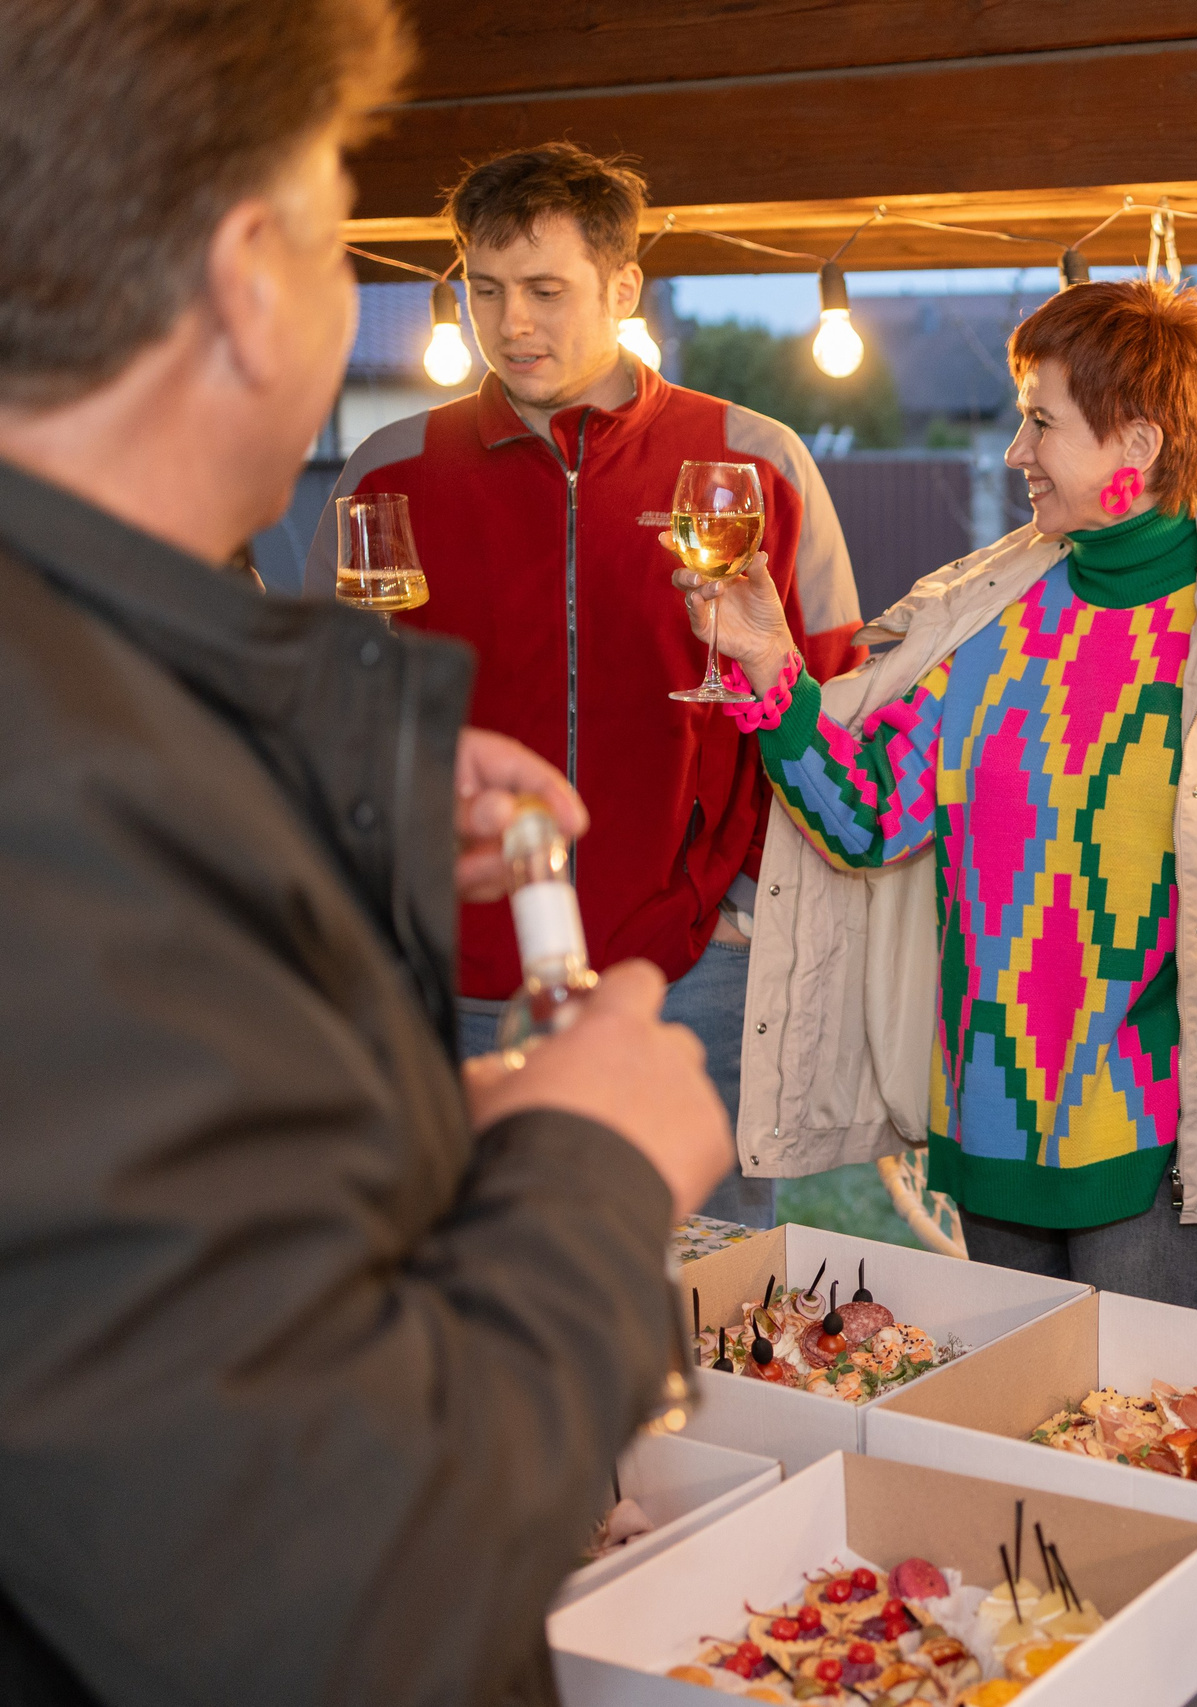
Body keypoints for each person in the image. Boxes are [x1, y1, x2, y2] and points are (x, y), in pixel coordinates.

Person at [0, 2, 735, 1702]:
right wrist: (587, 1174)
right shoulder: (68, 822)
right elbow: (334, 1597)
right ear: (250, 278)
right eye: (347, 242)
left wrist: (350, 793)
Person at [676, 278, 1197, 1307]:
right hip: (986, 1127)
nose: (1015, 452)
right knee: (1014, 1429)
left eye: (1041, 424)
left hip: (1155, 1140)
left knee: (1136, 1436)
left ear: (1138, 444)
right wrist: (771, 673)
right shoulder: (985, 628)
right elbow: (864, 821)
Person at [314, 142, 864, 1228]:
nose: (512, 323)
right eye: (484, 289)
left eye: (546, 291)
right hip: (458, 972)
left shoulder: (755, 462)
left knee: (705, 1307)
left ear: (622, 289)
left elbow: (837, 709)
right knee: (469, 1285)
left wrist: (748, 909)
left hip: (692, 975)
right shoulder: (385, 475)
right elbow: (324, 732)